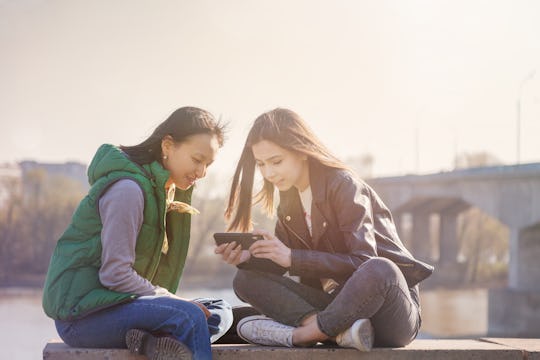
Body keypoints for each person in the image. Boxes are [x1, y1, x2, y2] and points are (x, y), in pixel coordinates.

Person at [216, 108, 434, 351]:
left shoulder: (343, 185)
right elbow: (284, 265)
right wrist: (251, 258)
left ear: (301, 151)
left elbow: (364, 260)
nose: (269, 173)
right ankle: (335, 333)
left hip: (388, 312)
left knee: (380, 268)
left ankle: (304, 334)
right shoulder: (289, 201)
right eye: (261, 165)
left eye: (276, 162)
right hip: (338, 311)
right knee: (245, 279)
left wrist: (291, 257)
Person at [42, 106, 232, 360]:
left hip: (120, 305)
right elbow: (115, 275)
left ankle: (149, 343)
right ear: (168, 146)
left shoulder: (162, 192)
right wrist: (175, 302)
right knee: (190, 315)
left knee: (221, 308)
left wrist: (173, 303)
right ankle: (157, 340)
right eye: (197, 160)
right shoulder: (128, 190)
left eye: (208, 164)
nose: (202, 173)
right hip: (82, 318)